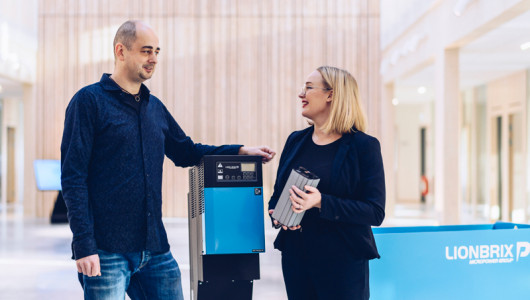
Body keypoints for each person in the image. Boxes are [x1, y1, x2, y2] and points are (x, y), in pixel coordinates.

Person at [60, 20, 275, 300]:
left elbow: (187, 151)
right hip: (106, 251)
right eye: (146, 51)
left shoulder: (155, 108)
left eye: (157, 52)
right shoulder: (88, 102)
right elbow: (73, 178)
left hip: (155, 250)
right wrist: (84, 245)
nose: (154, 59)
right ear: (121, 51)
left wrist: (238, 151)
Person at [268, 66, 385, 300]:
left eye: (309, 88)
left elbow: (375, 212)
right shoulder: (295, 140)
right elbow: (278, 194)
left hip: (343, 262)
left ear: (331, 94)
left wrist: (321, 202)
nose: (301, 94)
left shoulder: (364, 146)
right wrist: (277, 214)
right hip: (297, 258)